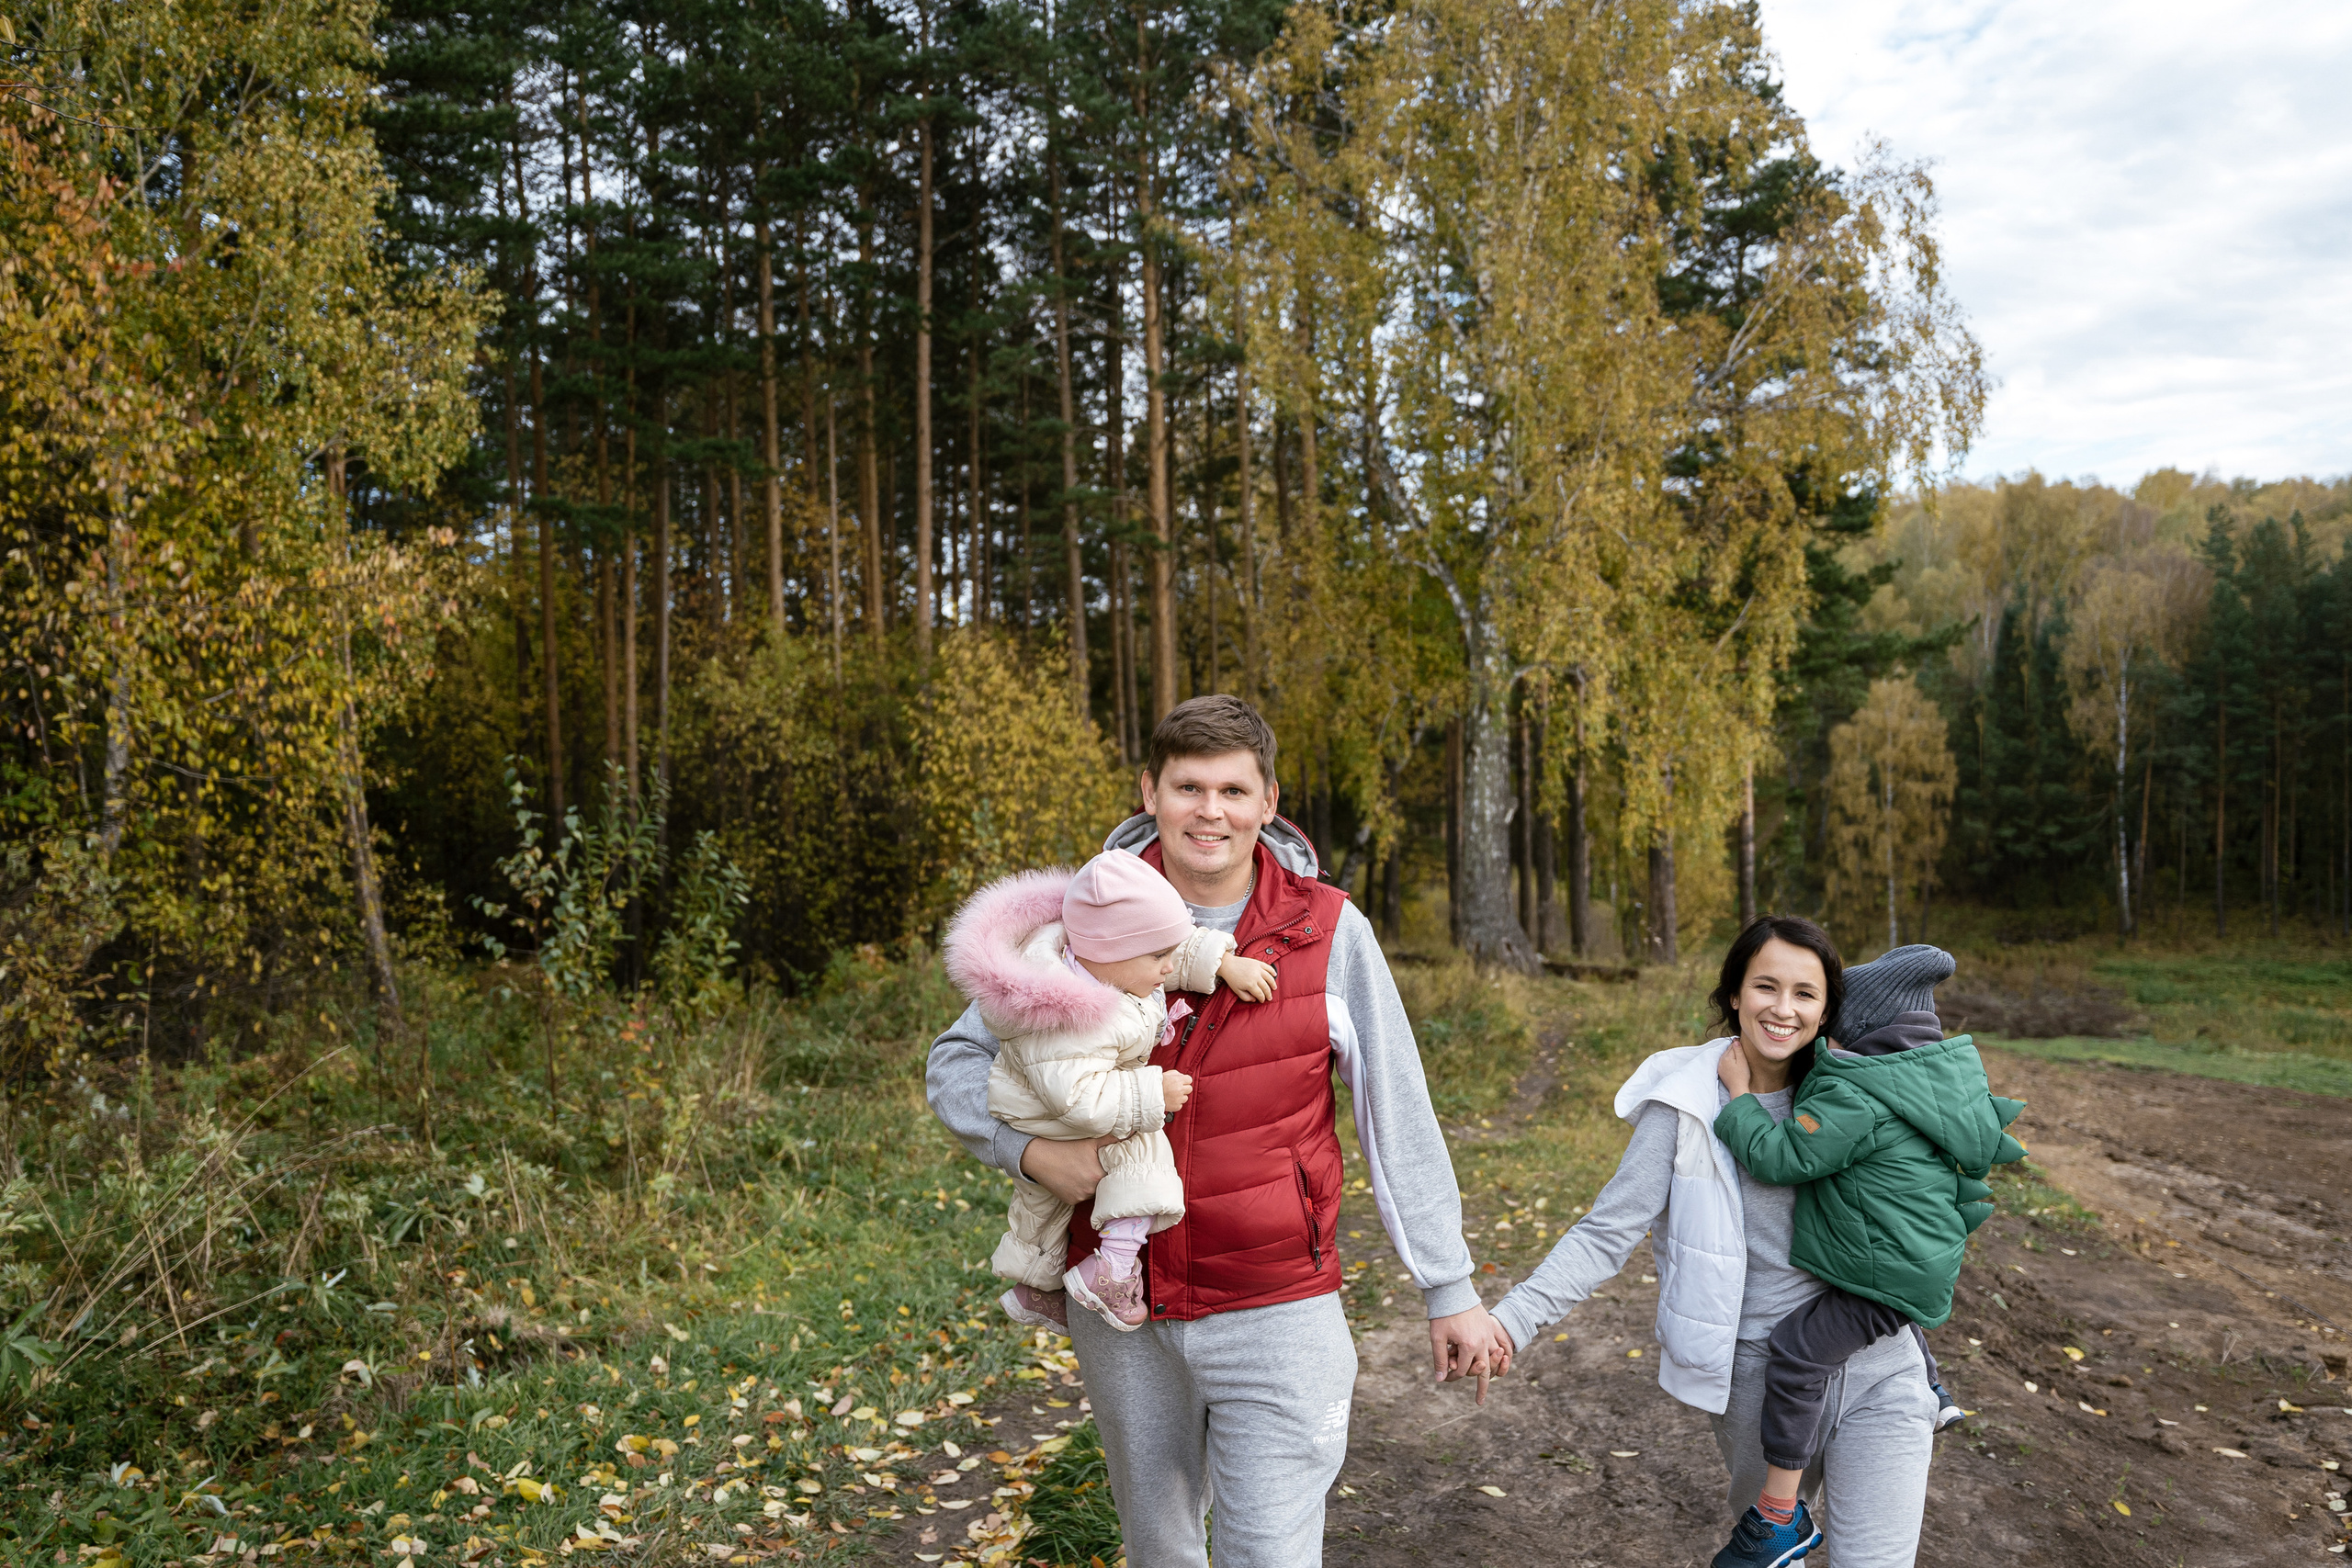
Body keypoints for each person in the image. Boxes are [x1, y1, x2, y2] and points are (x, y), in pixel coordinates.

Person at [925, 694, 1510, 1568]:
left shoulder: (1326, 929)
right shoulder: (1079, 923)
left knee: (1269, 1555)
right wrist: (1034, 1153)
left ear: (1268, 801)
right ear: (1149, 793)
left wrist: (1448, 1284)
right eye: (1188, 786)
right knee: (1160, 1551)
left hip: (1278, 1303)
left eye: (1233, 790)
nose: (1210, 811)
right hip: (1126, 1309)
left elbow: (1397, 1107)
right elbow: (956, 1062)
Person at [1487, 918, 1946, 1568]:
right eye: (1766, 986)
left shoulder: (1859, 1088)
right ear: (1735, 992)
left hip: (1882, 1367)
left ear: (1826, 1011)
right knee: (1774, 1555)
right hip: (1761, 1380)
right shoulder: (1685, 1105)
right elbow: (1606, 1231)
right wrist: (1512, 1319)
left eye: (1805, 993)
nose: (1783, 1008)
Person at [1709, 944, 2024, 1566]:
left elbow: (1782, 1157)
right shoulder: (1925, 1083)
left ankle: (1777, 1516)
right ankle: (1931, 1382)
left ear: (1855, 1029)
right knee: (1879, 1305)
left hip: (1888, 1270)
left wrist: (1741, 1097)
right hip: (1915, 1260)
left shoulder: (1857, 1092)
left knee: (1798, 1350)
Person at [940, 851, 1276, 1332]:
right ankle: (1113, 1270)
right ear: (1109, 953)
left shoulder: (1108, 958)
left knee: (1043, 1204)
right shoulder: (1068, 1019)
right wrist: (1151, 1093)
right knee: (1143, 1150)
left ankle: (1036, 1288)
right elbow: (1080, 1101)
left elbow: (1169, 947)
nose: (1167, 969)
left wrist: (1223, 964)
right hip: (1052, 1107)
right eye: (1157, 959)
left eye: (1168, 953)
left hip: (1044, 1096)